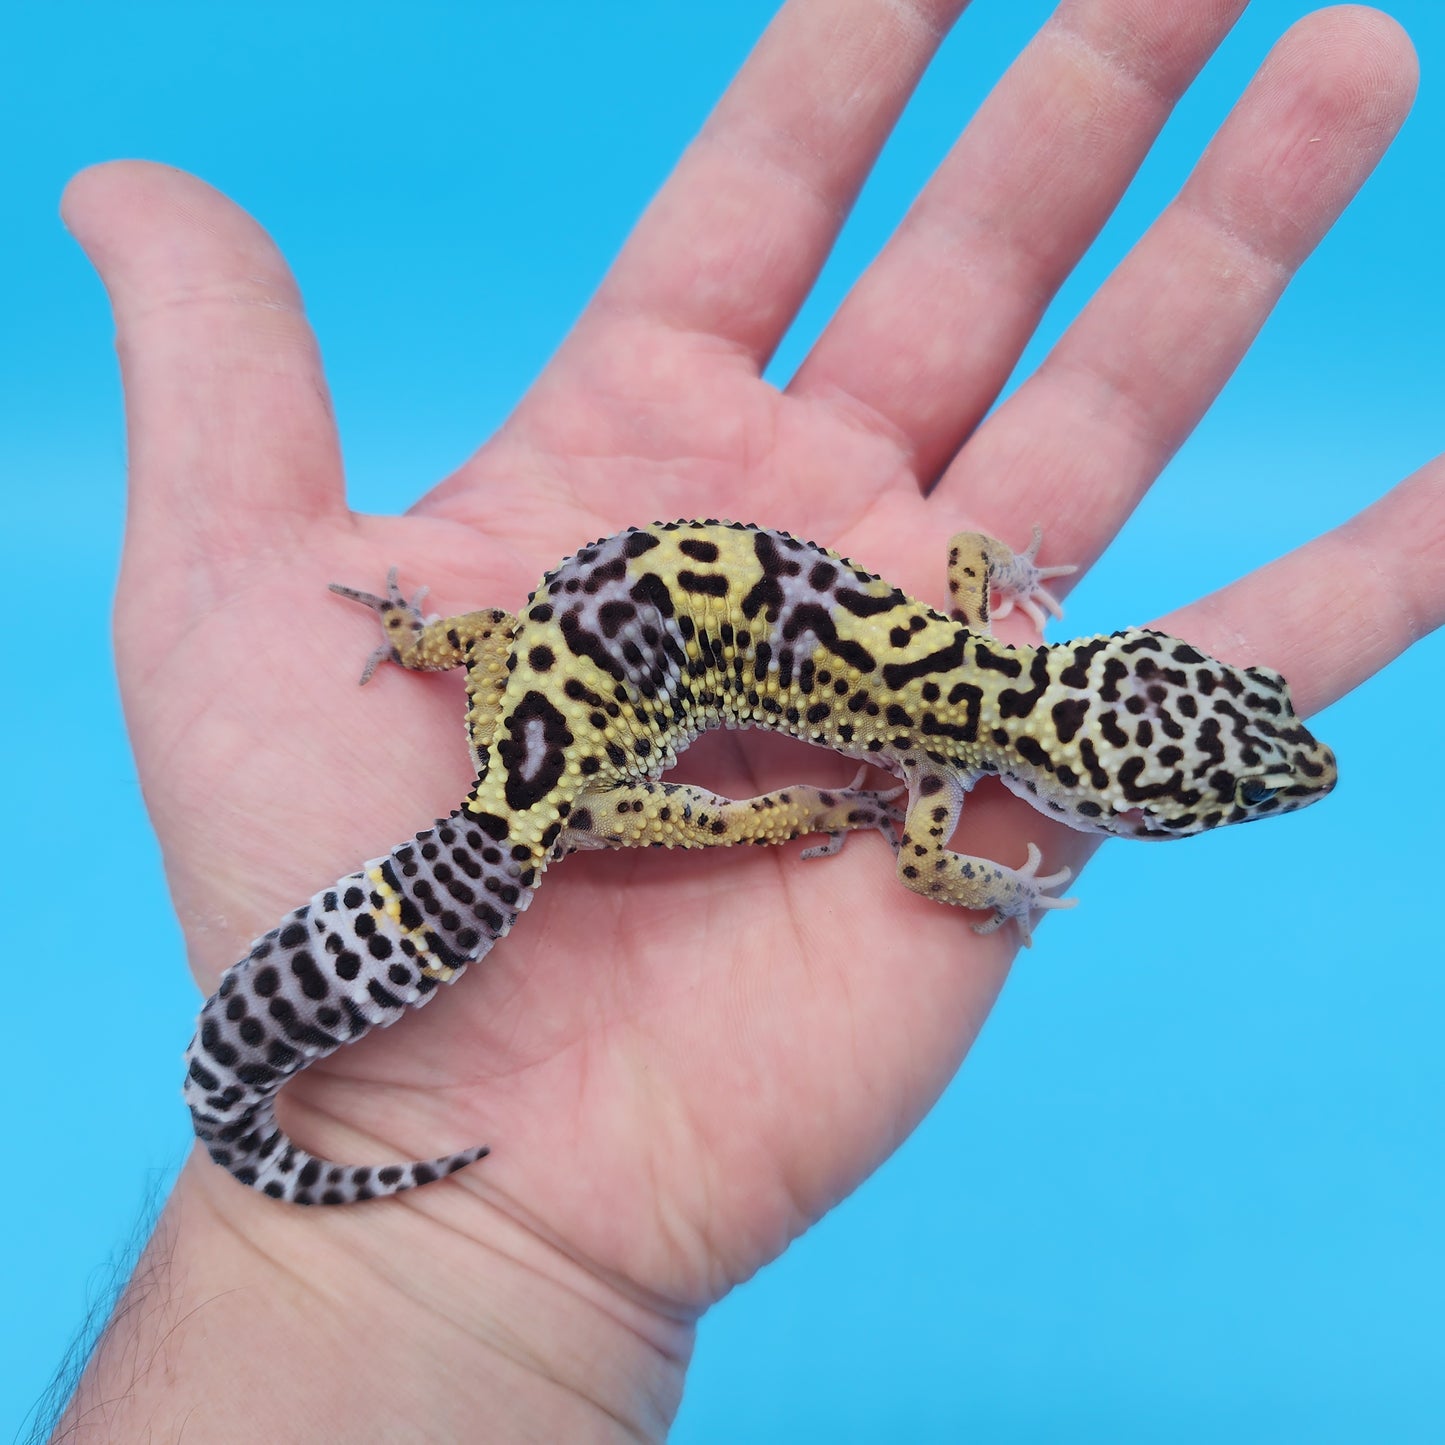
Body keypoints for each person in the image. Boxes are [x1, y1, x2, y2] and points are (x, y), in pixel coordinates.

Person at [52, 1, 1440, 1438]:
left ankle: (425, 665)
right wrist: (933, 863)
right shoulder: (938, 762)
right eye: (1220, 792)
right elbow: (924, 862)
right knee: (751, 819)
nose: (1253, 785)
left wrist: (427, 641)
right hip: (575, 780)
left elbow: (976, 566)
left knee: (605, 720)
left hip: (538, 667)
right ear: (1118, 796)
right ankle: (290, 1073)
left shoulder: (979, 638)